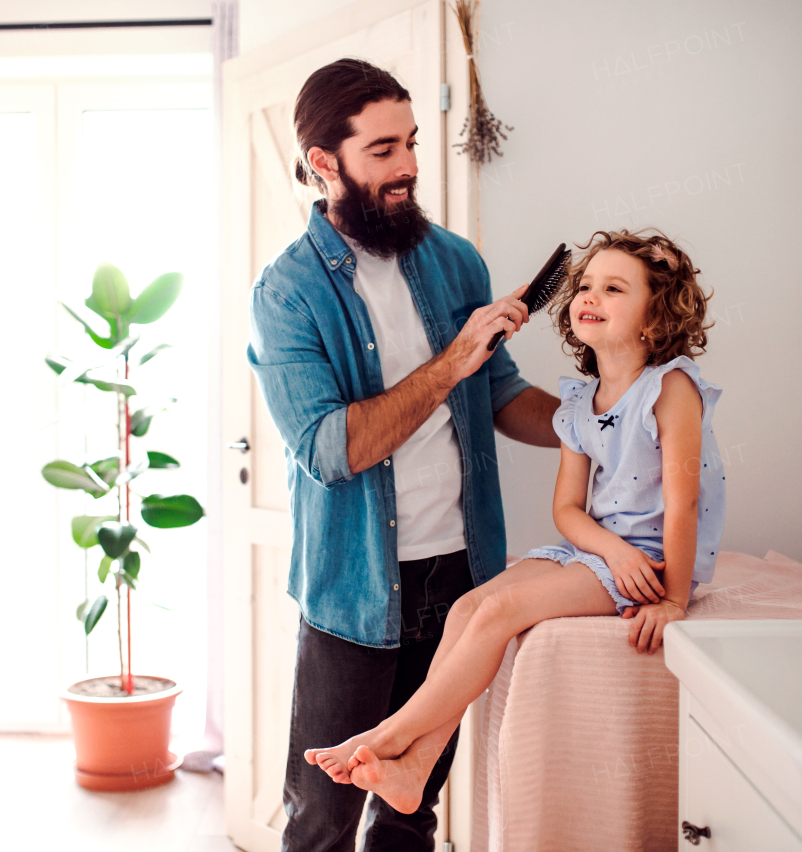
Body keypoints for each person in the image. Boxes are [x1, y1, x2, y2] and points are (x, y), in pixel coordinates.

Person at [245, 58, 561, 851]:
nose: (410, 166)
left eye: (412, 143)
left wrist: (605, 421)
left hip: (461, 579)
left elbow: (499, 395)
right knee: (322, 819)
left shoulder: (455, 261)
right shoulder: (285, 294)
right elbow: (330, 449)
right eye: (383, 150)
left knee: (412, 806)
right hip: (353, 589)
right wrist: (454, 360)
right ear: (326, 163)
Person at [307, 229, 727, 816]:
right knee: (467, 608)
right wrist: (608, 549)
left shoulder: (671, 388)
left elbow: (682, 504)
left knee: (501, 613)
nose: (590, 295)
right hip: (600, 551)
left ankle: (387, 735)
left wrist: (673, 599)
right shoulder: (581, 402)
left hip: (649, 560)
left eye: (613, 288)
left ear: (654, 319)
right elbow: (567, 511)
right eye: (585, 285)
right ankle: (416, 769)